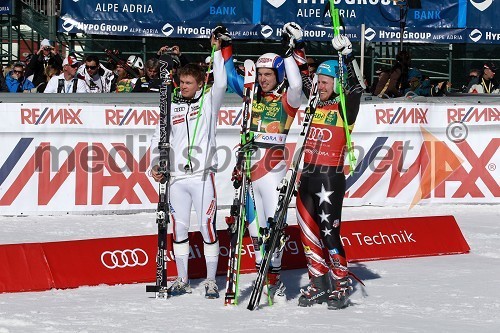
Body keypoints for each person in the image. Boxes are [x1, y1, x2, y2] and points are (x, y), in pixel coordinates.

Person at [221, 22, 303, 302]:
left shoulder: (286, 101)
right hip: (248, 170)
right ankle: (263, 277)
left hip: (273, 170)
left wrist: (289, 52)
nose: (264, 79)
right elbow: (229, 75)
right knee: (255, 232)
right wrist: (225, 46)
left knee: (274, 229)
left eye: (269, 74)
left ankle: (275, 279)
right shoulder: (250, 95)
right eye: (261, 74)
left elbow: (297, 84)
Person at [149, 30, 227, 298]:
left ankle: (210, 280)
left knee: (207, 227)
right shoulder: (172, 105)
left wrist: (216, 50)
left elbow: (221, 83)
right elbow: (158, 138)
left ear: (200, 83)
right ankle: (182, 279)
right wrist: (156, 164)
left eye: (188, 82)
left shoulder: (208, 102)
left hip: (203, 177)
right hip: (177, 178)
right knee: (178, 228)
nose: (183, 86)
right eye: (181, 82)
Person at [292, 35, 363, 309]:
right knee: (307, 234)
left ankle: (341, 282)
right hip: (306, 177)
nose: (319, 86)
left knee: (329, 233)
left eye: (325, 82)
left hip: (329, 179)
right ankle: (319, 283)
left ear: (335, 83)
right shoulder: (314, 104)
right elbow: (302, 73)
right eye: (318, 82)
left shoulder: (345, 106)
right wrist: (297, 44)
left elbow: (357, 88)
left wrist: (348, 56)